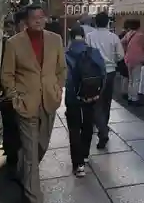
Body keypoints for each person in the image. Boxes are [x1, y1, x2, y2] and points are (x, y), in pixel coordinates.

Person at [1, 5, 67, 203]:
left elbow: (61, 68)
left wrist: (58, 88)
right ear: (27, 21)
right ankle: (33, 195)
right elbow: (7, 75)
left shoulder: (55, 39)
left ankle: (24, 172)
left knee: (41, 146)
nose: (39, 20)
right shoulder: (14, 43)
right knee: (30, 151)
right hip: (25, 104)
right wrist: (15, 98)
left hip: (49, 100)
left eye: (41, 17)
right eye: (34, 18)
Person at [65, 24, 106, 177]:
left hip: (73, 97)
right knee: (88, 125)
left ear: (71, 37)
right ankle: (85, 154)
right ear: (83, 36)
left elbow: (66, 77)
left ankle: (78, 165)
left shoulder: (67, 54)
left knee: (74, 128)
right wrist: (98, 93)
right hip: (91, 95)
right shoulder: (93, 52)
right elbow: (103, 73)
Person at [86, 11, 124, 149]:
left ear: (95, 22)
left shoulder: (90, 36)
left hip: (95, 72)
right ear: (108, 22)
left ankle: (102, 130)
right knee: (107, 101)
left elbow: (86, 53)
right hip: (110, 72)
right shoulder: (113, 37)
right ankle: (104, 126)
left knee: (96, 102)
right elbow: (120, 55)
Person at [0, 10, 26, 173]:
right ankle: (11, 156)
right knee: (11, 127)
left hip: (26, 96)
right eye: (24, 24)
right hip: (9, 96)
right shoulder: (7, 44)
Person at [122, 19, 144, 106]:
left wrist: (126, 50)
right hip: (137, 59)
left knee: (131, 79)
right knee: (136, 80)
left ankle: (130, 97)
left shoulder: (128, 34)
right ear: (138, 26)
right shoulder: (141, 35)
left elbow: (122, 42)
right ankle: (134, 98)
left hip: (128, 58)